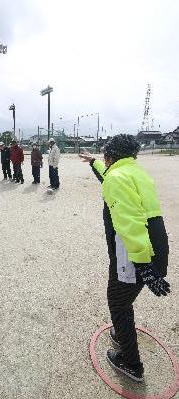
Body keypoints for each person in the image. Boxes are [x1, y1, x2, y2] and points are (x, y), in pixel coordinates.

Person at [79, 134, 170, 382]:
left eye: (103, 158)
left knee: (118, 303)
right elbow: (111, 175)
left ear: (110, 157)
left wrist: (144, 265)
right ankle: (123, 333)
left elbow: (130, 223)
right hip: (157, 244)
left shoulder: (116, 178)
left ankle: (132, 364)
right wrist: (93, 162)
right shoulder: (135, 171)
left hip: (135, 252)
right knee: (125, 299)